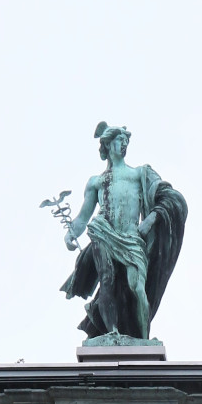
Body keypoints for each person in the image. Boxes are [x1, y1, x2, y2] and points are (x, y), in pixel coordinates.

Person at [63, 123, 186, 342]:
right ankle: (112, 333)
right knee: (107, 279)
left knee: (137, 286)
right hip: (103, 231)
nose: (124, 145)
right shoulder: (96, 181)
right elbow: (83, 217)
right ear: (109, 144)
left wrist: (151, 218)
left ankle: (144, 337)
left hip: (131, 238)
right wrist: (71, 233)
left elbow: (170, 197)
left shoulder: (140, 173)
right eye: (120, 141)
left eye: (126, 142)